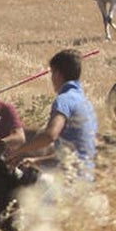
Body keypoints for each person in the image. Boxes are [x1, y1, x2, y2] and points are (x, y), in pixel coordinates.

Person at [8, 49, 98, 183]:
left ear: (57, 74)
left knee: (24, 197)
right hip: (86, 176)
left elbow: (49, 135)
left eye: (52, 73)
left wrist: (18, 151)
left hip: (68, 180)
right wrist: (36, 161)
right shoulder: (85, 102)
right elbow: (72, 153)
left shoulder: (64, 100)